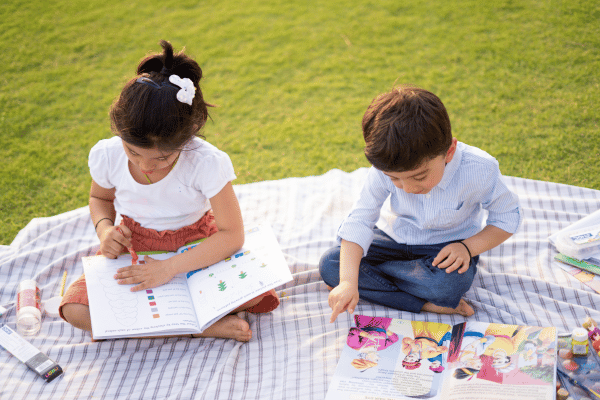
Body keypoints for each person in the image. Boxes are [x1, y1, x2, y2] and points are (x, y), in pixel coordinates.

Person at [60, 40, 279, 341]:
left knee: (254, 295)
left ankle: (169, 322)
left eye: (162, 158)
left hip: (198, 243)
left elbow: (232, 234)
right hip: (134, 243)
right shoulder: (108, 155)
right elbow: (100, 198)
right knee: (76, 310)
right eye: (133, 153)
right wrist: (105, 229)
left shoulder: (206, 163)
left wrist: (169, 268)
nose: (146, 166)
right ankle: (200, 328)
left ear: (188, 136)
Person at [320, 85, 521, 323]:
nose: (408, 189)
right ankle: (424, 304)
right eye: (394, 178)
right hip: (391, 238)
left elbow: (507, 216)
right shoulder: (382, 171)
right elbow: (360, 220)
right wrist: (347, 283)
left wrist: (467, 248)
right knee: (331, 265)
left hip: (446, 248)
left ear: (449, 151)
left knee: (448, 286)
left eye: (419, 176)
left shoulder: (479, 169)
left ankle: (391, 281)